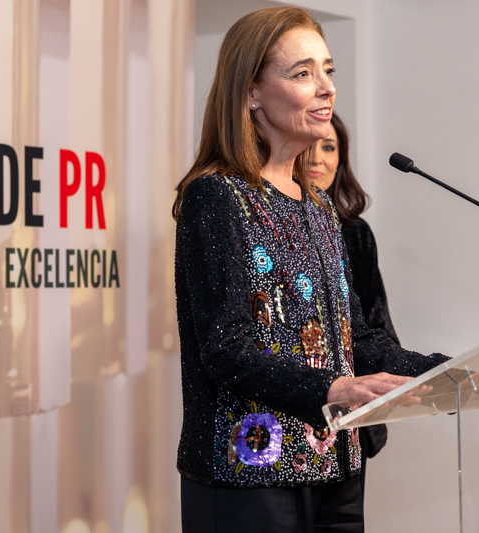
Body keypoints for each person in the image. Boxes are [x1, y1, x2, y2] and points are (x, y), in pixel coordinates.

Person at [172, 7, 449, 533]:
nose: (326, 88)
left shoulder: (319, 206)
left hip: (337, 470)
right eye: (303, 73)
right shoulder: (218, 196)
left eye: (328, 70)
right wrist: (335, 387)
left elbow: (356, 340)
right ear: (251, 92)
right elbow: (226, 350)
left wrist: (455, 373)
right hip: (249, 474)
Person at [307, 113, 396, 502]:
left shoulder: (355, 233)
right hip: (287, 419)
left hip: (349, 421)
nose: (317, 158)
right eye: (309, 146)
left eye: (329, 147)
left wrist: (426, 377)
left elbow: (374, 326)